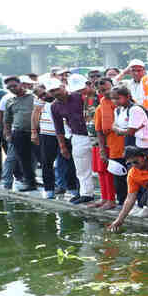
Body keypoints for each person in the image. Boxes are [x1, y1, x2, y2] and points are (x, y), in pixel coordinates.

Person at [49, 75, 97, 204]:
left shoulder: (79, 96)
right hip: (78, 136)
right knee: (81, 167)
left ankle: (108, 196)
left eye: (57, 89)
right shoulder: (54, 106)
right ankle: (86, 193)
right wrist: (62, 146)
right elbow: (58, 128)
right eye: (52, 91)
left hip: (95, 134)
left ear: (63, 87)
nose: (55, 93)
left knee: (102, 166)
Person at [106, 148, 148, 232]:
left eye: (135, 162)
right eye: (129, 163)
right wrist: (119, 220)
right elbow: (130, 198)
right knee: (146, 201)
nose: (134, 165)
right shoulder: (132, 174)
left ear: (144, 157)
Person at [90, 78, 125, 209]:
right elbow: (99, 130)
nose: (104, 93)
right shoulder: (100, 107)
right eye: (101, 91)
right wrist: (102, 149)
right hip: (112, 146)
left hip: (128, 144)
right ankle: (108, 199)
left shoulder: (126, 103)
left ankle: (118, 201)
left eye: (106, 89)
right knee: (110, 173)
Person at [2, 77, 37, 192]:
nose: (12, 88)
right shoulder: (10, 101)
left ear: (21, 84)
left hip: (36, 132)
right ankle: (30, 183)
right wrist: (7, 134)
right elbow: (7, 120)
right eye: (9, 87)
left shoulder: (33, 97)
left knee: (42, 158)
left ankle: (51, 184)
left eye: (14, 86)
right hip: (18, 133)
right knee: (23, 160)